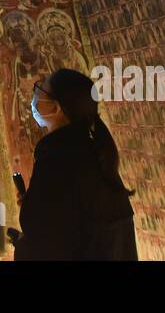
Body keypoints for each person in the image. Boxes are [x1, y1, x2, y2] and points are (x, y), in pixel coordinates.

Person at [14, 68, 137, 260]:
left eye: (40, 90)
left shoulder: (56, 158)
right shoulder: (96, 152)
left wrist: (23, 236)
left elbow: (45, 241)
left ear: (56, 108)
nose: (35, 96)